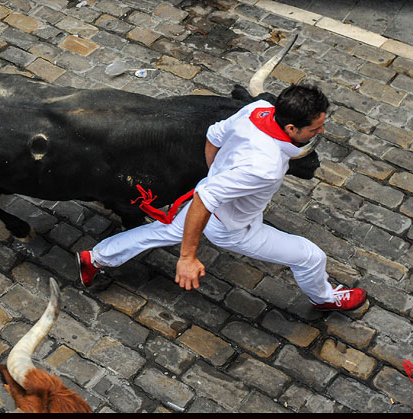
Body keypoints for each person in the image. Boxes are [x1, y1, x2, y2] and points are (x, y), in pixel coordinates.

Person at [76, 83, 367, 312]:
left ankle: (96, 258)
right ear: (291, 128)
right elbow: (205, 199)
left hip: (213, 204)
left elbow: (214, 136)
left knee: (160, 231)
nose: (320, 131)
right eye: (315, 129)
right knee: (310, 257)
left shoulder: (257, 110)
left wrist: (215, 176)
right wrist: (188, 257)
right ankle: (325, 298)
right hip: (233, 227)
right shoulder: (264, 167)